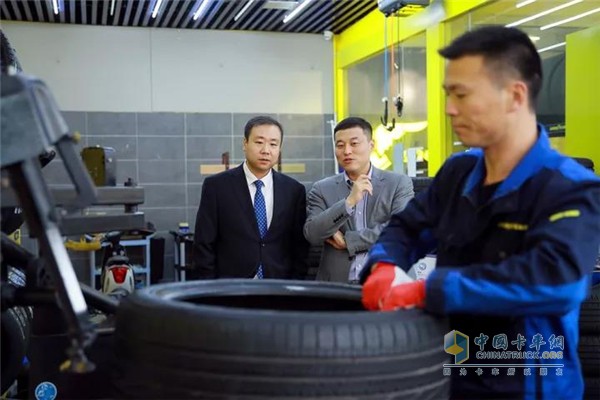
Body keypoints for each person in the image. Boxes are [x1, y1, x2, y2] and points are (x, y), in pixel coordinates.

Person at [361, 26, 600, 399]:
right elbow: (407, 226)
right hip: (454, 370)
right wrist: (385, 264)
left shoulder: (569, 187)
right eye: (448, 94)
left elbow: (556, 281)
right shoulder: (458, 174)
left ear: (515, 95)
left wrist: (427, 290)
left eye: (462, 94)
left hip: (529, 381)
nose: (449, 108)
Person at [192, 116, 308, 279]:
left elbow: (299, 247)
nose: (266, 150)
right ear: (245, 143)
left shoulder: (294, 190)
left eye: (273, 144)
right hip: (231, 285)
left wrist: (294, 284)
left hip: (278, 285)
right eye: (259, 142)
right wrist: (211, 287)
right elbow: (204, 243)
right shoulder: (217, 187)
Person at [303, 117, 413, 283]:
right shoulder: (321, 189)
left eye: (354, 143)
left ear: (371, 145)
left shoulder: (398, 183)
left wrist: (350, 241)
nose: (347, 151)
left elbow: (402, 229)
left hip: (387, 282)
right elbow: (312, 233)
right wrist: (348, 203)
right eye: (340, 145)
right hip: (336, 286)